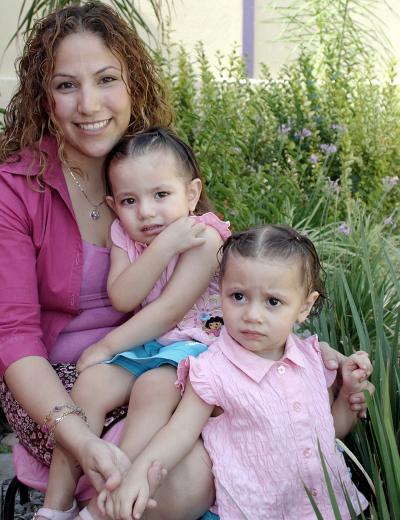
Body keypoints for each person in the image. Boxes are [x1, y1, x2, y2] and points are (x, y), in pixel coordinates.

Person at [0, 2, 372, 520]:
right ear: (45, 94)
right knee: (188, 464)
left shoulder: (152, 166)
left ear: (133, 84)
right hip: (58, 380)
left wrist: (301, 347)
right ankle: (66, 506)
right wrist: (76, 431)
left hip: (166, 355)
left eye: (106, 79)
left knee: (223, 443)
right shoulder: (17, 189)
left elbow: (229, 283)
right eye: (66, 85)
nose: (88, 104)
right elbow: (14, 335)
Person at [100, 225, 370, 520]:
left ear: (305, 307)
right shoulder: (214, 370)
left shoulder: (313, 359)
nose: (252, 315)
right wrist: (140, 472)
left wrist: (346, 398)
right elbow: (179, 431)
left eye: (273, 302)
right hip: (256, 510)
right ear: (221, 292)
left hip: (327, 508)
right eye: (238, 296)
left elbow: (325, 435)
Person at [38, 126, 230, 520]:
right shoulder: (124, 235)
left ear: (191, 194)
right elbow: (123, 296)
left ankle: (108, 499)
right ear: (113, 203)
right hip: (154, 343)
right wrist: (162, 247)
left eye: (161, 195)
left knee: (154, 388)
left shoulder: (204, 238)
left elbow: (170, 310)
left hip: (201, 346)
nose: (145, 212)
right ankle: (55, 506)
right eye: (129, 200)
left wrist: (107, 346)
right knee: (89, 384)